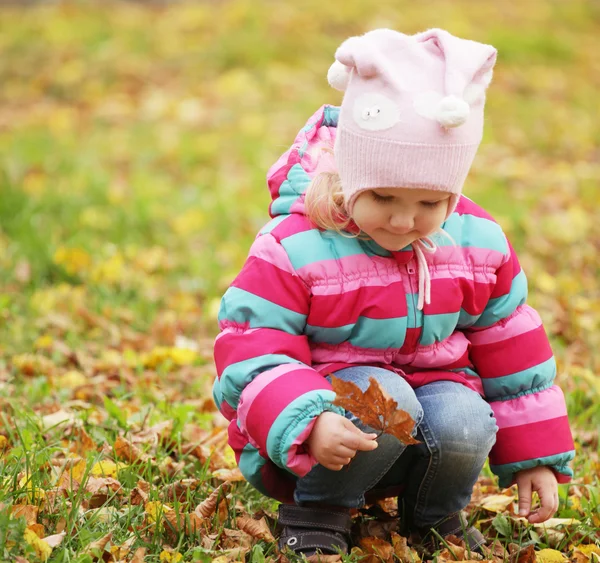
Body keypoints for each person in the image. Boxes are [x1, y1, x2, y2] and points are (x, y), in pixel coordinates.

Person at [212, 27, 575, 557]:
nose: (405, 220)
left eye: (430, 203)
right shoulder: (295, 246)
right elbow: (254, 347)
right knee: (389, 396)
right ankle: (318, 510)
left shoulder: (475, 242)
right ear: (353, 176)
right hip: (328, 424)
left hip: (421, 423)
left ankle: (431, 515)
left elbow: (511, 347)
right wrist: (306, 420)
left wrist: (535, 456)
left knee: (467, 415)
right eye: (383, 196)